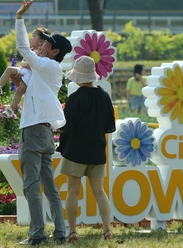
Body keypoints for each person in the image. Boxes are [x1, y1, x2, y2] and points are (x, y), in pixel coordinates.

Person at [11, 0, 72, 246]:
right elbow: (27, 81)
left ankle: (37, 235)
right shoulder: (47, 68)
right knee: (50, 187)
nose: (42, 44)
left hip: (34, 131)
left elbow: (22, 48)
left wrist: (19, 18)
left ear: (55, 51)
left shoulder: (46, 64)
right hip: (45, 133)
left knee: (30, 186)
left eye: (46, 43)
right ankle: (59, 232)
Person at [58, 56, 116, 242]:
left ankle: (73, 231)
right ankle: (107, 229)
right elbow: (109, 125)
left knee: (73, 191)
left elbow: (67, 126)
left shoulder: (75, 98)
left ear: (78, 77)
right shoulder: (104, 97)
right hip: (97, 151)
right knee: (99, 191)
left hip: (75, 151)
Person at [0, 27, 51, 117]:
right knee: (9, 69)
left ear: (41, 41)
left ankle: (11, 109)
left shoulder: (42, 52)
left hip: (29, 76)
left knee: (20, 90)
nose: (31, 38)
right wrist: (26, 63)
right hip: (23, 71)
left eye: (34, 36)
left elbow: (37, 64)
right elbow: (23, 62)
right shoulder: (31, 51)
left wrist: (29, 63)